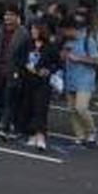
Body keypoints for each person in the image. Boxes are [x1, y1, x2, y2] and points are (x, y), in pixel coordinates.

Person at [13, 20, 61, 151]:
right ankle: (32, 134)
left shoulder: (50, 46)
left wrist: (48, 70)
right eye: (32, 29)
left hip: (42, 82)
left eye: (35, 29)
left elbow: (58, 63)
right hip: (27, 80)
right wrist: (25, 65)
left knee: (41, 108)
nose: (33, 31)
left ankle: (41, 136)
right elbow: (17, 58)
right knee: (28, 107)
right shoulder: (27, 44)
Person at [0, 4, 28, 140]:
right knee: (2, 99)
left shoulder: (23, 33)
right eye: (6, 15)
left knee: (11, 99)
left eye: (11, 15)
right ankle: (9, 123)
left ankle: (5, 127)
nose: (7, 17)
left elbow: (25, 53)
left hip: (15, 70)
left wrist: (20, 69)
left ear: (17, 17)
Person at [60, 15, 98, 147]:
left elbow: (96, 60)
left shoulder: (88, 40)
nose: (64, 34)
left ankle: (91, 133)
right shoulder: (67, 42)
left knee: (81, 108)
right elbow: (63, 58)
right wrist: (63, 55)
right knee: (72, 110)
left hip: (85, 80)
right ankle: (80, 135)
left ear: (71, 29)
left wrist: (78, 58)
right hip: (70, 78)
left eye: (65, 31)